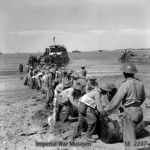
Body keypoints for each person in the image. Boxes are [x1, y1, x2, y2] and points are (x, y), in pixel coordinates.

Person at [104, 63, 145, 150]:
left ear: (124, 74)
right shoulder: (140, 83)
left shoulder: (125, 85)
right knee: (131, 134)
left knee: (129, 138)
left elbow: (115, 102)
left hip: (130, 112)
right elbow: (143, 98)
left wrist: (106, 109)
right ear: (133, 73)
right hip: (139, 111)